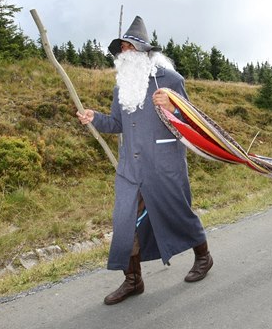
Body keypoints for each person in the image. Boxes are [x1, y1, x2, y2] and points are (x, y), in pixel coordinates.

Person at [77, 16, 213, 305]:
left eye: (128, 47)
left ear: (144, 51)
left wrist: (174, 108)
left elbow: (190, 122)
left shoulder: (170, 80)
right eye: (121, 49)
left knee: (178, 213)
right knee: (124, 222)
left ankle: (204, 256)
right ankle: (133, 280)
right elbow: (117, 123)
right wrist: (95, 118)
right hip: (130, 168)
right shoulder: (120, 87)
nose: (124, 53)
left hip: (164, 165)